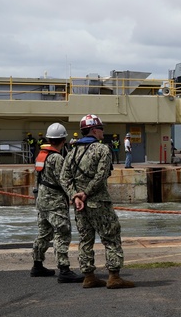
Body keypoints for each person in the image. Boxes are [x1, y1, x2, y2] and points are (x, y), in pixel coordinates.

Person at [60, 114, 133, 289]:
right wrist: (85, 193)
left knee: (85, 239)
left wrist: (75, 195)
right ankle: (114, 276)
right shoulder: (102, 150)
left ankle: (89, 276)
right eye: (101, 128)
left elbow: (64, 178)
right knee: (111, 237)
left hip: (80, 205)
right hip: (99, 202)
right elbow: (101, 175)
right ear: (94, 130)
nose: (103, 132)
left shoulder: (72, 152)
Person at [30, 123, 84, 283]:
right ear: (63, 140)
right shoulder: (57, 158)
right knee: (62, 232)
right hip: (55, 201)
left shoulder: (41, 156)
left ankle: (37, 265)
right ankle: (64, 269)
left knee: (44, 233)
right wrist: (75, 196)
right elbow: (64, 180)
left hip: (42, 200)